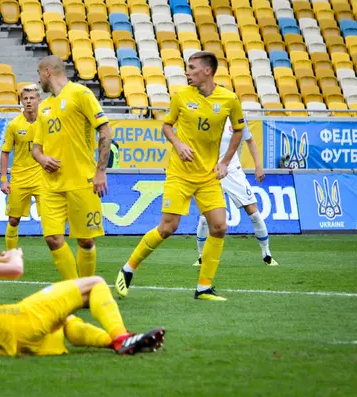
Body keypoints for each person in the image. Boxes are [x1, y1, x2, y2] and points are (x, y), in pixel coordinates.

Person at [114, 51, 246, 301]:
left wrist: (225, 162)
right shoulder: (181, 96)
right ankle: (128, 269)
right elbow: (166, 126)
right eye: (187, 68)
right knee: (168, 227)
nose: (187, 72)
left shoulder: (229, 99)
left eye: (192, 68)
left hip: (208, 175)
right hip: (180, 173)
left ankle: (204, 287)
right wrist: (178, 144)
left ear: (207, 71)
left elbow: (239, 130)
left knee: (219, 227)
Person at [0, 235, 165, 356]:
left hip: (10, 348)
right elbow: (16, 270)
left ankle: (120, 344)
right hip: (18, 323)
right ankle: (121, 338)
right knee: (95, 283)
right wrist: (14, 255)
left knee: (65, 321)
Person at [31, 55, 112, 280]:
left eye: (39, 74)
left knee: (86, 240)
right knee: (52, 238)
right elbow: (36, 148)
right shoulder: (44, 107)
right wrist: (42, 159)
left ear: (48, 71)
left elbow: (105, 131)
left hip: (82, 180)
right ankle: (75, 288)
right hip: (50, 184)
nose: (38, 81)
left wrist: (100, 171)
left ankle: (86, 286)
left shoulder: (81, 94)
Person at [193, 119, 279, 267]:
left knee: (253, 212)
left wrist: (258, 166)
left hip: (233, 171)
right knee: (204, 217)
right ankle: (201, 257)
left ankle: (267, 255)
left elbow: (250, 141)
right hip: (211, 172)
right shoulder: (206, 115)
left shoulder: (236, 117)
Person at [0, 85, 43, 250]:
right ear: (21, 102)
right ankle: (11, 256)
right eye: (25, 98)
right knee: (13, 220)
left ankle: (57, 255)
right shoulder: (14, 125)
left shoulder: (47, 122)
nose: (29, 101)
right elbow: (5, 152)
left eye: (32, 98)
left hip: (42, 178)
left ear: (39, 100)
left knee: (50, 219)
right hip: (19, 178)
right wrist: (4, 179)